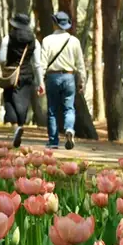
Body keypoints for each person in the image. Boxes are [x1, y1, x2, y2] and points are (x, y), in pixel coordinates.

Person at [41, 11, 85, 150]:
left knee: (52, 110)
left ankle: (53, 141)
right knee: (69, 108)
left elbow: (42, 63)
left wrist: (40, 81)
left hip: (52, 77)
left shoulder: (47, 40)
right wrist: (82, 81)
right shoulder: (74, 41)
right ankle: (69, 129)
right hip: (69, 77)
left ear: (55, 23)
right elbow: (80, 64)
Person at [0, 14, 43, 148]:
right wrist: (41, 82)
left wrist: (6, 68)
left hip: (12, 74)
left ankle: (15, 127)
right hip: (27, 75)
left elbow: (1, 58)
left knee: (9, 101)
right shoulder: (34, 41)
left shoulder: (8, 38)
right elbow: (37, 64)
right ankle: (21, 125)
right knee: (23, 102)